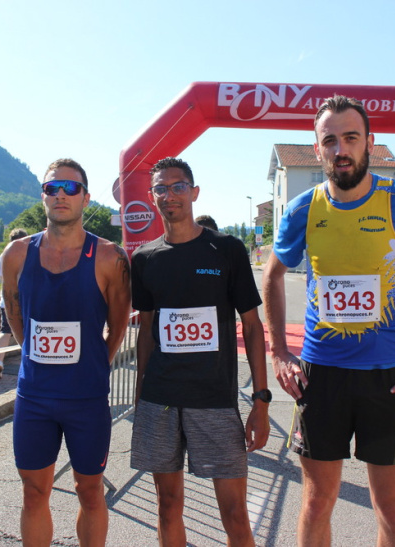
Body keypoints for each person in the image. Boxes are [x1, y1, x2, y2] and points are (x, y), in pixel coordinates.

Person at [263, 95, 395, 546]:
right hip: (321, 378)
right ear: (317, 148)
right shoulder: (303, 209)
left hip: (388, 381)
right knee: (318, 503)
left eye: (351, 138)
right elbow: (272, 276)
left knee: (393, 511)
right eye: (330, 140)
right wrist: (280, 352)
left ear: (370, 144)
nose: (341, 149)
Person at [130, 157, 270, 547]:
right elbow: (146, 330)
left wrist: (260, 399)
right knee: (167, 505)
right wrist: (141, 390)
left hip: (214, 400)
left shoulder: (225, 250)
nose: (169, 195)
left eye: (178, 187)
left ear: (194, 192)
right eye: (161, 188)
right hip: (159, 399)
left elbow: (253, 327)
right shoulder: (144, 258)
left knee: (234, 515)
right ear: (151, 196)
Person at [1, 158, 131, 547]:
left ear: (86, 198)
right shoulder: (16, 255)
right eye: (52, 188)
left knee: (90, 492)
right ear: (42, 196)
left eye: (70, 188)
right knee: (33, 493)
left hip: (86, 399)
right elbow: (14, 314)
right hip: (35, 397)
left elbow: (119, 324)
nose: (60, 194)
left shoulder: (110, 257)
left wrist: (97, 364)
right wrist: (32, 353)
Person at [0, 227, 28, 379]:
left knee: (5, 331)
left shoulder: (4, 255)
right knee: (28, 333)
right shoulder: (29, 254)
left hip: (7, 301)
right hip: (26, 300)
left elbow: (3, 279)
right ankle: (26, 363)